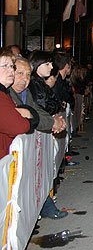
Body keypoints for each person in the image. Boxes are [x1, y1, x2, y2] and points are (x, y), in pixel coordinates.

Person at [10, 55, 68, 219]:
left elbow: (34, 110)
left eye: (28, 75)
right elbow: (27, 116)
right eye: (20, 73)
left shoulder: (25, 91)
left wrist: (53, 121)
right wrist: (51, 122)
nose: (24, 79)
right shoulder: (8, 94)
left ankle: (43, 206)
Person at [0, 48, 35, 159]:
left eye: (11, 66)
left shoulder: (5, 94)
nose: (10, 71)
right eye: (5, 66)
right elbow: (18, 126)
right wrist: (30, 119)